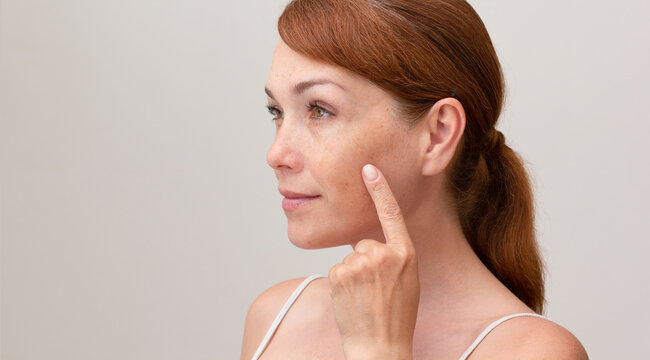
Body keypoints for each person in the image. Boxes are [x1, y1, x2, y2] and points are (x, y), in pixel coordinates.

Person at [241, 0, 589, 359]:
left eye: (320, 110)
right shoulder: (276, 320)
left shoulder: (534, 353)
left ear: (439, 134)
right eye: (277, 112)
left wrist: (379, 351)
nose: (276, 155)